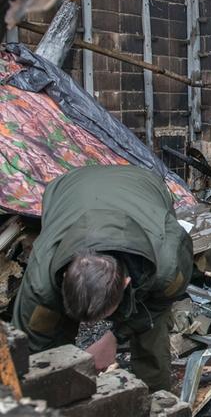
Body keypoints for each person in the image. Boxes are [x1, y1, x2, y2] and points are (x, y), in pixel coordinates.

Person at [13, 165, 193, 391]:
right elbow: (27, 345)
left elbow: (158, 304)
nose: (90, 325)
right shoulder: (42, 279)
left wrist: (115, 337)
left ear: (126, 283)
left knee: (151, 330)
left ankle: (156, 399)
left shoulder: (166, 264)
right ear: (65, 275)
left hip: (142, 185)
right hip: (67, 189)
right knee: (51, 338)